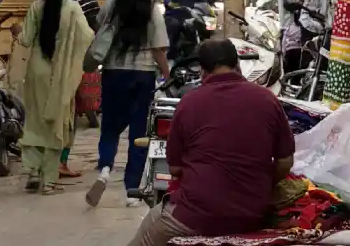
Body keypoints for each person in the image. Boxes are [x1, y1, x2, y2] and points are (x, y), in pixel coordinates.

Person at [126, 39, 295, 246]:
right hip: (253, 213)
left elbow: (176, 168)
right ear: (237, 64)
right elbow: (285, 162)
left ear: (203, 71)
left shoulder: (189, 103)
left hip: (195, 215)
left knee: (148, 230)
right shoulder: (267, 99)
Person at [88, 0, 171, 208]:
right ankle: (131, 188)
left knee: (110, 126)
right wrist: (167, 74)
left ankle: (104, 168)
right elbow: (158, 48)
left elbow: (99, 25)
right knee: (139, 133)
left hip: (113, 72)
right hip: (142, 76)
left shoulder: (114, 2)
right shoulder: (152, 10)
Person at [10, 0, 95, 194]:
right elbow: (87, 36)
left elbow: (26, 40)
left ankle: (33, 171)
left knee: (35, 121)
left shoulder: (36, 7)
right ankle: (49, 181)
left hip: (37, 71)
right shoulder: (73, 9)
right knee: (56, 123)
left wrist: (16, 31)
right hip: (62, 73)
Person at [60, 0, 101, 179]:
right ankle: (62, 160)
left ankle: (46, 161)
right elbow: (95, 30)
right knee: (72, 113)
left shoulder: (50, 0)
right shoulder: (87, 0)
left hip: (51, 63)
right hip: (79, 62)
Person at [278, 0, 309, 73]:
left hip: (284, 24)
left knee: (286, 63)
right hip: (294, 26)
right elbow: (301, 1)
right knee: (295, 64)